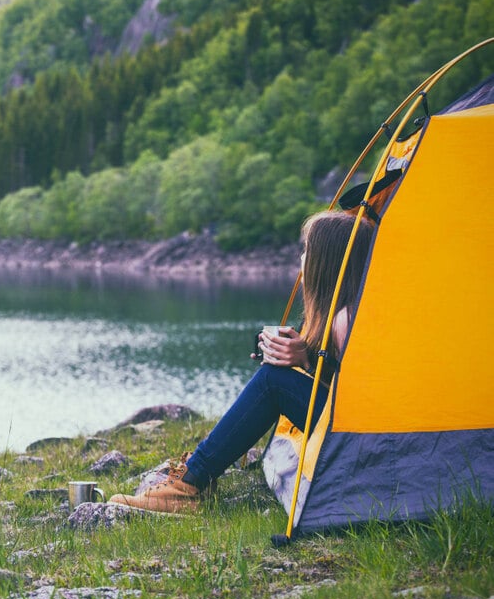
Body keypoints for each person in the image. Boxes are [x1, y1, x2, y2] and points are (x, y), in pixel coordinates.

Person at [108, 210, 376, 513]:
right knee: (275, 377)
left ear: (326, 262)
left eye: (307, 250)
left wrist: (307, 360)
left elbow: (356, 405)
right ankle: (192, 480)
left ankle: (187, 488)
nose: (302, 258)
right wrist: (304, 357)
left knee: (271, 383)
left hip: (363, 448)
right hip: (362, 438)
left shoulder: (346, 320)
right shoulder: (343, 312)